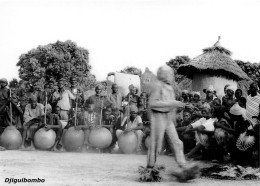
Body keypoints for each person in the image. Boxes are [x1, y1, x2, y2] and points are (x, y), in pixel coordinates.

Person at [142, 65, 199, 182]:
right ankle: (149, 170)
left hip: (167, 118)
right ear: (164, 74)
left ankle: (183, 166)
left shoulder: (169, 88)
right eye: (170, 74)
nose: (172, 77)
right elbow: (153, 104)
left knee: (177, 143)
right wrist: (174, 103)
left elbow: (170, 105)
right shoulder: (157, 86)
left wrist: (180, 106)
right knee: (156, 145)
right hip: (158, 117)